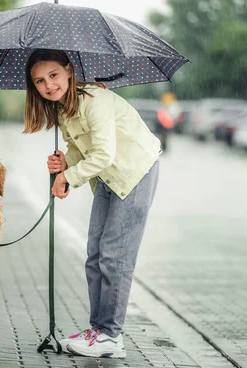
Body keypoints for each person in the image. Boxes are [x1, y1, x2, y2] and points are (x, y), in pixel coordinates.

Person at [23, 49, 161, 359]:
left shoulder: (94, 102)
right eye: (40, 81)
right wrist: (64, 163)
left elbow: (103, 155)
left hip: (134, 172)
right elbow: (79, 150)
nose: (48, 85)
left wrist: (68, 178)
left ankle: (111, 336)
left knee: (114, 256)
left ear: (69, 71)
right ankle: (98, 330)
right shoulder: (63, 109)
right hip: (108, 178)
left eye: (53, 75)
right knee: (95, 253)